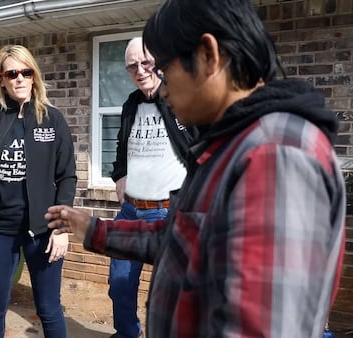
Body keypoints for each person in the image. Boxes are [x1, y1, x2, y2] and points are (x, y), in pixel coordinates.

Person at [45, 0, 346, 336]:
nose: (164, 86)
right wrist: (94, 228)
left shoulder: (275, 154)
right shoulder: (233, 144)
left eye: (165, 69)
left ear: (207, 55)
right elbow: (184, 241)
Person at [0, 44, 77, 338]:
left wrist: (61, 228)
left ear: (34, 76)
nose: (20, 78)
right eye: (12, 73)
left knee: (49, 308)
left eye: (26, 71)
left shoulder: (52, 119)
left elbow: (67, 177)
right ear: (2, 80)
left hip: (43, 231)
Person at [107, 37, 196, 338]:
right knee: (120, 284)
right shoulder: (131, 103)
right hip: (131, 212)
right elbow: (122, 149)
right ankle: (127, 334)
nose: (140, 70)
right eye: (132, 66)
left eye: (146, 62)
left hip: (169, 214)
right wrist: (120, 176)